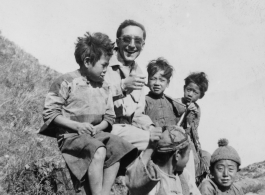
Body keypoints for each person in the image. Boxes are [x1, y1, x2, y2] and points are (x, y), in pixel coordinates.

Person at [39, 32, 137, 195]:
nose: (106, 70)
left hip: (95, 134)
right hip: (71, 137)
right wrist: (76, 126)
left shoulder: (104, 87)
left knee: (119, 146)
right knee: (98, 150)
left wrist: (98, 128)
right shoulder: (66, 82)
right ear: (87, 61)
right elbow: (50, 113)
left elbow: (109, 117)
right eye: (104, 65)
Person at [105, 19, 157, 151]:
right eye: (127, 39)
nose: (132, 45)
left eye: (138, 41)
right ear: (118, 42)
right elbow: (92, 100)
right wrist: (122, 86)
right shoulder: (103, 64)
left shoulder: (138, 72)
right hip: (106, 128)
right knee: (162, 146)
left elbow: (137, 115)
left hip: (129, 130)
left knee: (179, 145)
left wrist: (151, 128)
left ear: (143, 45)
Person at [125, 125, 201, 195]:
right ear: (177, 155)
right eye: (188, 154)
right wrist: (150, 148)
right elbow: (133, 185)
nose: (188, 161)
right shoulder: (152, 177)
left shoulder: (184, 176)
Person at [175, 72, 211, 184]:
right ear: (184, 88)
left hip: (190, 140)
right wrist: (185, 110)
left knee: (202, 159)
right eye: (188, 89)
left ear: (201, 95)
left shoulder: (197, 109)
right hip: (176, 138)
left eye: (195, 92)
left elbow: (193, 130)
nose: (190, 94)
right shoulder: (176, 102)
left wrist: (193, 113)